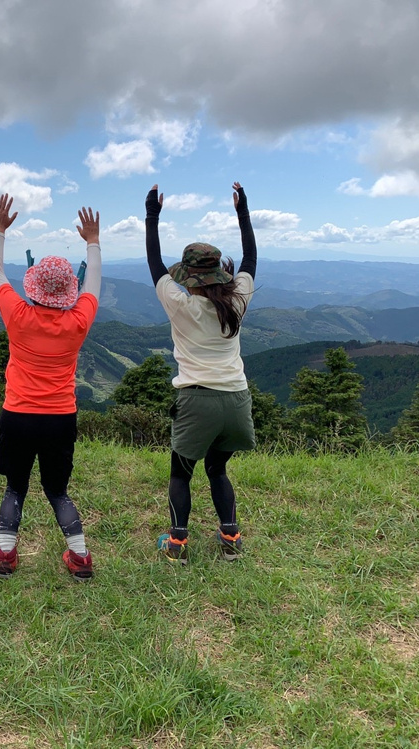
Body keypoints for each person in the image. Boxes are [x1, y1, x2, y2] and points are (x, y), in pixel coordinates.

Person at [0, 194, 102, 581]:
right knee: (57, 491)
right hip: (59, 418)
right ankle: (80, 558)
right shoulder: (78, 322)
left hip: (18, 415)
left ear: (33, 287)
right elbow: (95, 285)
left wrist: (0, 228)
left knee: (15, 488)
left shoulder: (17, 315)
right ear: (70, 290)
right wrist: (93, 240)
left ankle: (5, 557)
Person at [145, 182, 257, 565]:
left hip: (196, 399)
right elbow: (250, 260)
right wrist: (243, 212)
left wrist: (152, 216)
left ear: (189, 276)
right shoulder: (238, 300)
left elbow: (155, 265)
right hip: (237, 399)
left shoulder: (180, 304)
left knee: (181, 474)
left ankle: (176, 544)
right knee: (217, 469)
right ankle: (231, 537)